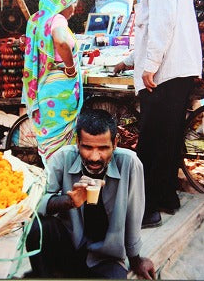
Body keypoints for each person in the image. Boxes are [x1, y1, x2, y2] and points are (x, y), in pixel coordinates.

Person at [116, 0, 202, 228]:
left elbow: (162, 22)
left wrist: (149, 66)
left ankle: (147, 209)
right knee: (167, 140)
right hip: (173, 70)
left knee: (152, 143)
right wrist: (131, 60)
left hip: (166, 72)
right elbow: (153, 28)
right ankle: (166, 198)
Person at [25, 109, 155, 279]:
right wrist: (68, 201)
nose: (94, 157)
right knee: (37, 226)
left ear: (115, 143)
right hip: (69, 247)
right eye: (87, 147)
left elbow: (133, 214)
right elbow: (33, 204)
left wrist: (136, 259)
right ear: (78, 142)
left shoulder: (130, 164)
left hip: (106, 257)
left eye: (103, 148)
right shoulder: (62, 158)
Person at [22, 0, 83, 162]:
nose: (74, 8)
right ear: (63, 3)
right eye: (73, 3)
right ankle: (62, 177)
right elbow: (61, 42)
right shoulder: (57, 19)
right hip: (60, 90)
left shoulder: (37, 20)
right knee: (62, 139)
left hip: (46, 88)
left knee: (51, 134)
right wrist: (71, 68)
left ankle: (53, 175)